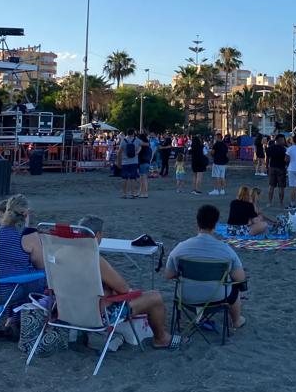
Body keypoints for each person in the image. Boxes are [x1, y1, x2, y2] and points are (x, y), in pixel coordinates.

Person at [73, 216, 181, 349]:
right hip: (96, 316)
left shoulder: (63, 254)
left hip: (69, 311)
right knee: (155, 297)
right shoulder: (94, 259)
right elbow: (123, 289)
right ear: (98, 235)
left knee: (109, 288)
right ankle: (161, 339)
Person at [164, 205, 247, 329]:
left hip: (186, 296)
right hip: (217, 297)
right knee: (235, 288)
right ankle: (236, 321)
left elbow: (169, 275)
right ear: (216, 224)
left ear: (197, 223)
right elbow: (240, 278)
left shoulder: (180, 248)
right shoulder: (226, 250)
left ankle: (198, 314)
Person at [0, 194, 45, 305]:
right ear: (26, 213)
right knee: (44, 274)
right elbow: (41, 265)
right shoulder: (28, 234)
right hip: (12, 290)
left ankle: (12, 315)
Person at [117, 128, 141, 199]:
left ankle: (124, 194)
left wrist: (118, 162)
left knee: (124, 178)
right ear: (133, 133)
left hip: (125, 162)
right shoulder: (136, 140)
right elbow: (145, 144)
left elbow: (119, 152)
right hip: (134, 162)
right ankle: (133, 193)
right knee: (133, 178)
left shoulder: (123, 141)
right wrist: (138, 151)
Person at [266, 133, 287, 207]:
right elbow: (286, 160)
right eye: (283, 140)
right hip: (281, 168)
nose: (284, 141)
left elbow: (267, 158)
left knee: (271, 186)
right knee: (281, 187)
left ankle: (269, 202)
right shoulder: (284, 149)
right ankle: (281, 202)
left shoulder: (270, 148)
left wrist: (267, 167)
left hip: (272, 167)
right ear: (279, 140)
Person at [136, 132, 152, 199]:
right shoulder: (148, 147)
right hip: (147, 163)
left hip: (142, 163)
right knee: (144, 179)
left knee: (143, 179)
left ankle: (145, 193)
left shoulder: (141, 147)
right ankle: (142, 192)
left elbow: (137, 153)